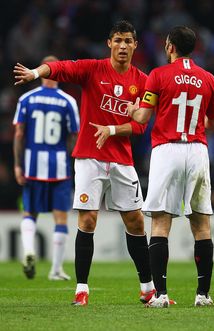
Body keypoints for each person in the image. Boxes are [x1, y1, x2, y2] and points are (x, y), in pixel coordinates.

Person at [13, 21, 157, 306]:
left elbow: (141, 126)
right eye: (118, 40)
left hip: (121, 159)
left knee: (136, 221)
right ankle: (81, 289)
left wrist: (113, 130)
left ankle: (148, 288)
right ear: (109, 43)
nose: (123, 46)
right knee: (87, 220)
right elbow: (59, 67)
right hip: (89, 157)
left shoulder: (143, 80)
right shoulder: (93, 68)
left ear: (135, 45)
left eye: (129, 41)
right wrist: (34, 72)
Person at [128, 26, 214, 308]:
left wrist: (133, 109)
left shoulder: (158, 75)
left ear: (169, 46)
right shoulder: (209, 79)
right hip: (197, 150)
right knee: (202, 225)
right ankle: (203, 295)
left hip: (166, 150)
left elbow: (143, 116)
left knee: (160, 222)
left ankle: (160, 295)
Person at [13, 55, 80, 281]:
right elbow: (74, 136)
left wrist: (17, 165)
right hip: (59, 166)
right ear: (57, 73)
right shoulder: (68, 101)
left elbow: (19, 134)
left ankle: (29, 251)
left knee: (29, 212)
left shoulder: (27, 98)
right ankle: (55, 269)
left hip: (32, 165)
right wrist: (71, 160)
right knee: (60, 218)